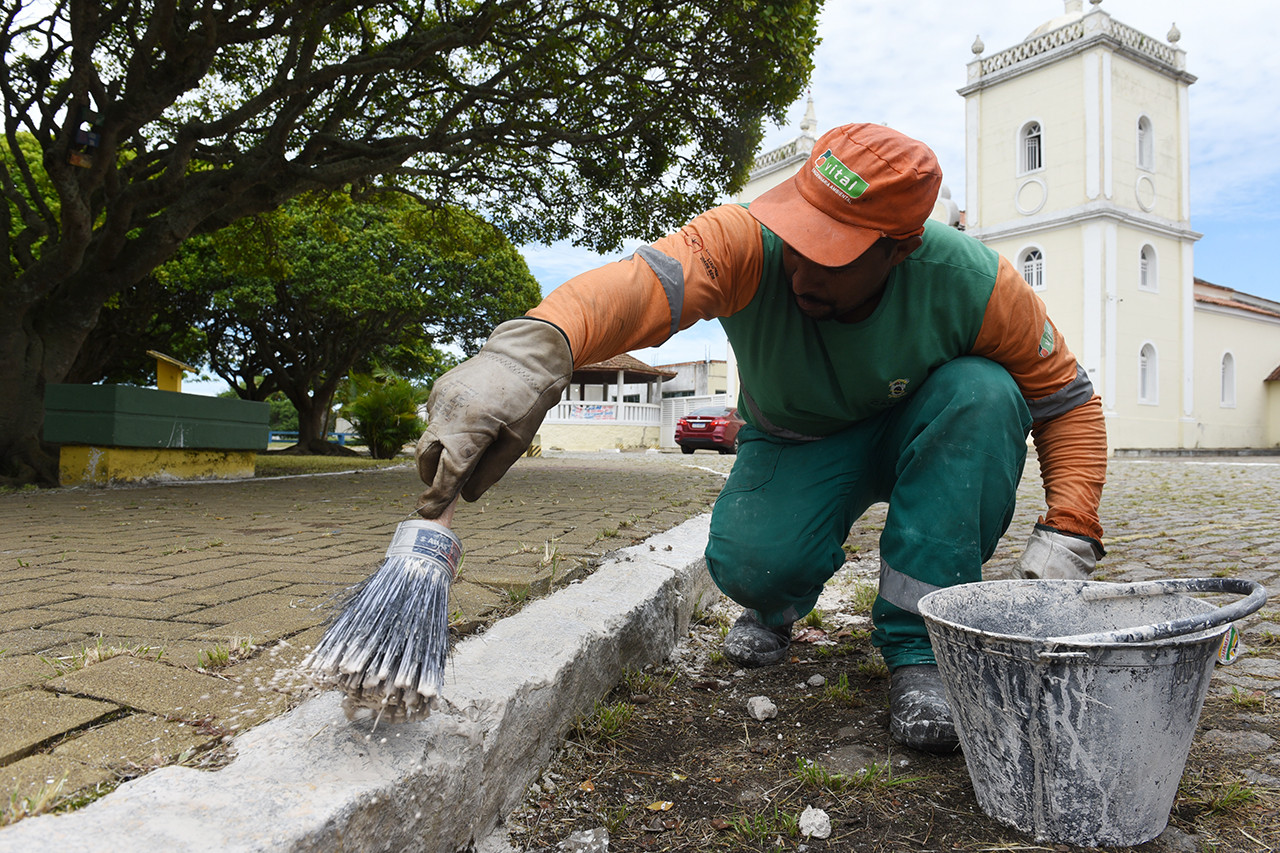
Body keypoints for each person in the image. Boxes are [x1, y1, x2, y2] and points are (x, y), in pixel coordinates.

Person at [414, 123, 1107, 752]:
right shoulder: (749, 239)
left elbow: (1068, 401)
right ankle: (774, 609)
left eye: (832, 253)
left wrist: (1072, 526)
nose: (802, 267)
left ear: (899, 249)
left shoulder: (973, 284)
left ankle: (921, 647)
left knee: (986, 392)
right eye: (802, 234)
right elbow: (645, 284)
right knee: (751, 562)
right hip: (797, 440)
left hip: (920, 426)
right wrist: (529, 352)